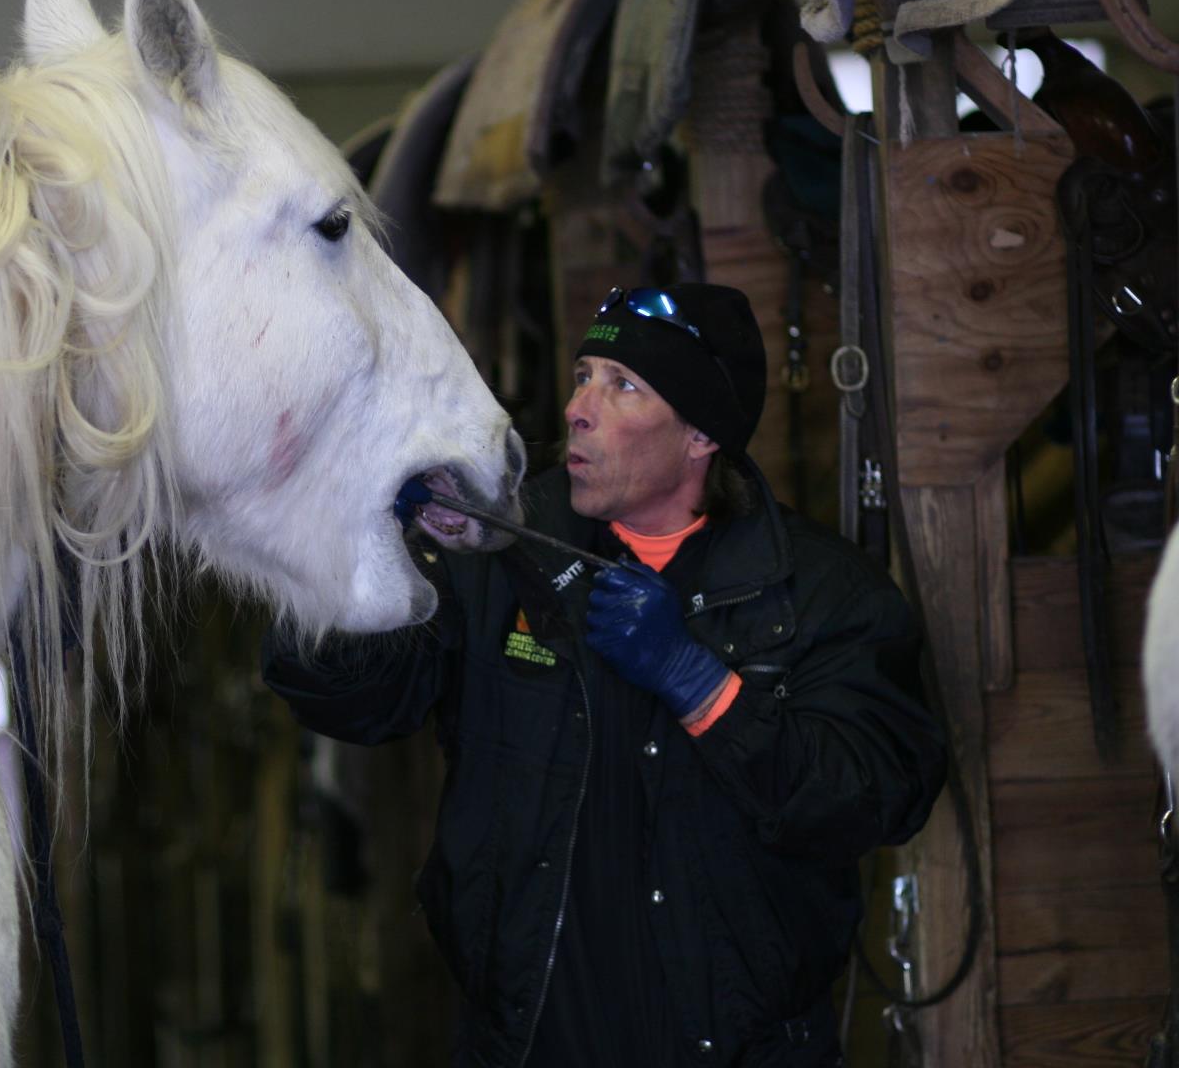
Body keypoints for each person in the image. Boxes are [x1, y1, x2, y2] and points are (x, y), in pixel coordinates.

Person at [261, 282, 947, 1067]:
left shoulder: (823, 593)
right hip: (524, 1045)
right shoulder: (499, 553)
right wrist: (363, 541)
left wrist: (699, 684)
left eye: (624, 386)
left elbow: (874, 801)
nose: (579, 407)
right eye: (584, 374)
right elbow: (352, 699)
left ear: (700, 435)